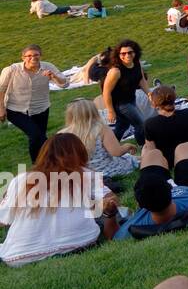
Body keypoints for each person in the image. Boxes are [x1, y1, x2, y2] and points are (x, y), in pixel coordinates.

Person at [0, 133, 119, 267]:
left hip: (21, 255)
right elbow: (111, 201)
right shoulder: (85, 174)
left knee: (14, 220)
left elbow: (2, 220)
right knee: (99, 214)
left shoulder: (21, 180)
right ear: (79, 153)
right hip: (80, 242)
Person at [114, 141, 188, 240]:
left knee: (153, 154)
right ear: (170, 187)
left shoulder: (135, 224)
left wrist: (109, 214)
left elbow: (114, 238)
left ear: (139, 204)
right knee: (185, 146)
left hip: (156, 193)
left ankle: (155, 156)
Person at [0, 45, 68, 161]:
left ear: (40, 56)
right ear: (23, 58)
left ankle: (39, 165)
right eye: (29, 56)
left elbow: (65, 84)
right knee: (37, 135)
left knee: (36, 138)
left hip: (41, 108)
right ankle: (52, 159)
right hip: (16, 109)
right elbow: (1, 89)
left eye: (36, 55)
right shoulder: (11, 70)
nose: (33, 58)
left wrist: (54, 76)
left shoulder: (48, 67)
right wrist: (1, 108)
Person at [63, 98, 139, 179]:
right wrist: (128, 146)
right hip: (108, 170)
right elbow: (116, 152)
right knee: (130, 159)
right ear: (93, 112)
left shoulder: (63, 134)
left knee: (128, 157)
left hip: (84, 174)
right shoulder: (101, 129)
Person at [143, 85, 188, 168]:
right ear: (174, 99)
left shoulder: (150, 124)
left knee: (145, 148)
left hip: (169, 161)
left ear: (154, 104)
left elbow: (152, 150)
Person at [102, 39, 147, 143]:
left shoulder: (136, 64)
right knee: (141, 124)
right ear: (118, 55)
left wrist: (149, 93)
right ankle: (143, 146)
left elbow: (141, 80)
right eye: (123, 53)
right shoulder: (115, 71)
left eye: (130, 52)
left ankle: (108, 146)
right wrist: (110, 111)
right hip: (120, 104)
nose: (127, 55)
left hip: (131, 99)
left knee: (122, 126)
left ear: (135, 52)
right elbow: (106, 92)